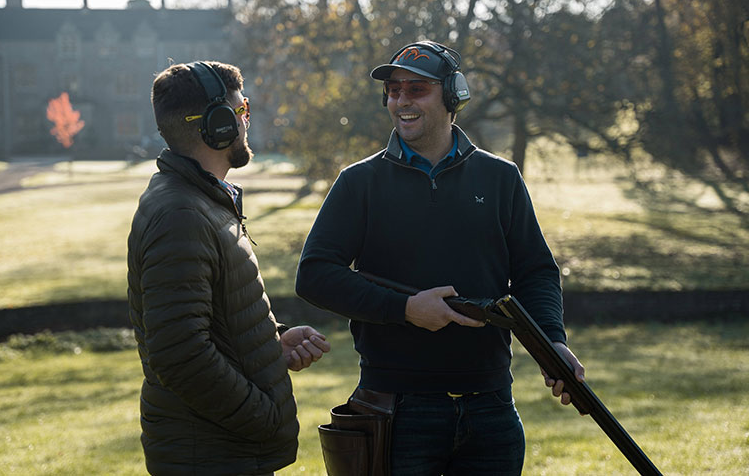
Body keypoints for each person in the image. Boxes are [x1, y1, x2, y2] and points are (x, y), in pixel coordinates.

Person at [295, 41, 584, 475]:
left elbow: (535, 272)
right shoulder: (359, 182)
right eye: (394, 91)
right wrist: (406, 309)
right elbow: (314, 275)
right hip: (397, 410)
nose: (401, 101)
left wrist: (552, 342)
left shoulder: (501, 178)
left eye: (417, 89)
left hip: (491, 408)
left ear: (453, 97)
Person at [128, 60, 331, 476]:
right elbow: (181, 356)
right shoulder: (181, 214)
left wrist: (270, 345)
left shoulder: (199, 200)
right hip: (212, 455)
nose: (247, 120)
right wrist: (264, 416)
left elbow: (207, 323)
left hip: (220, 451)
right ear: (217, 124)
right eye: (241, 111)